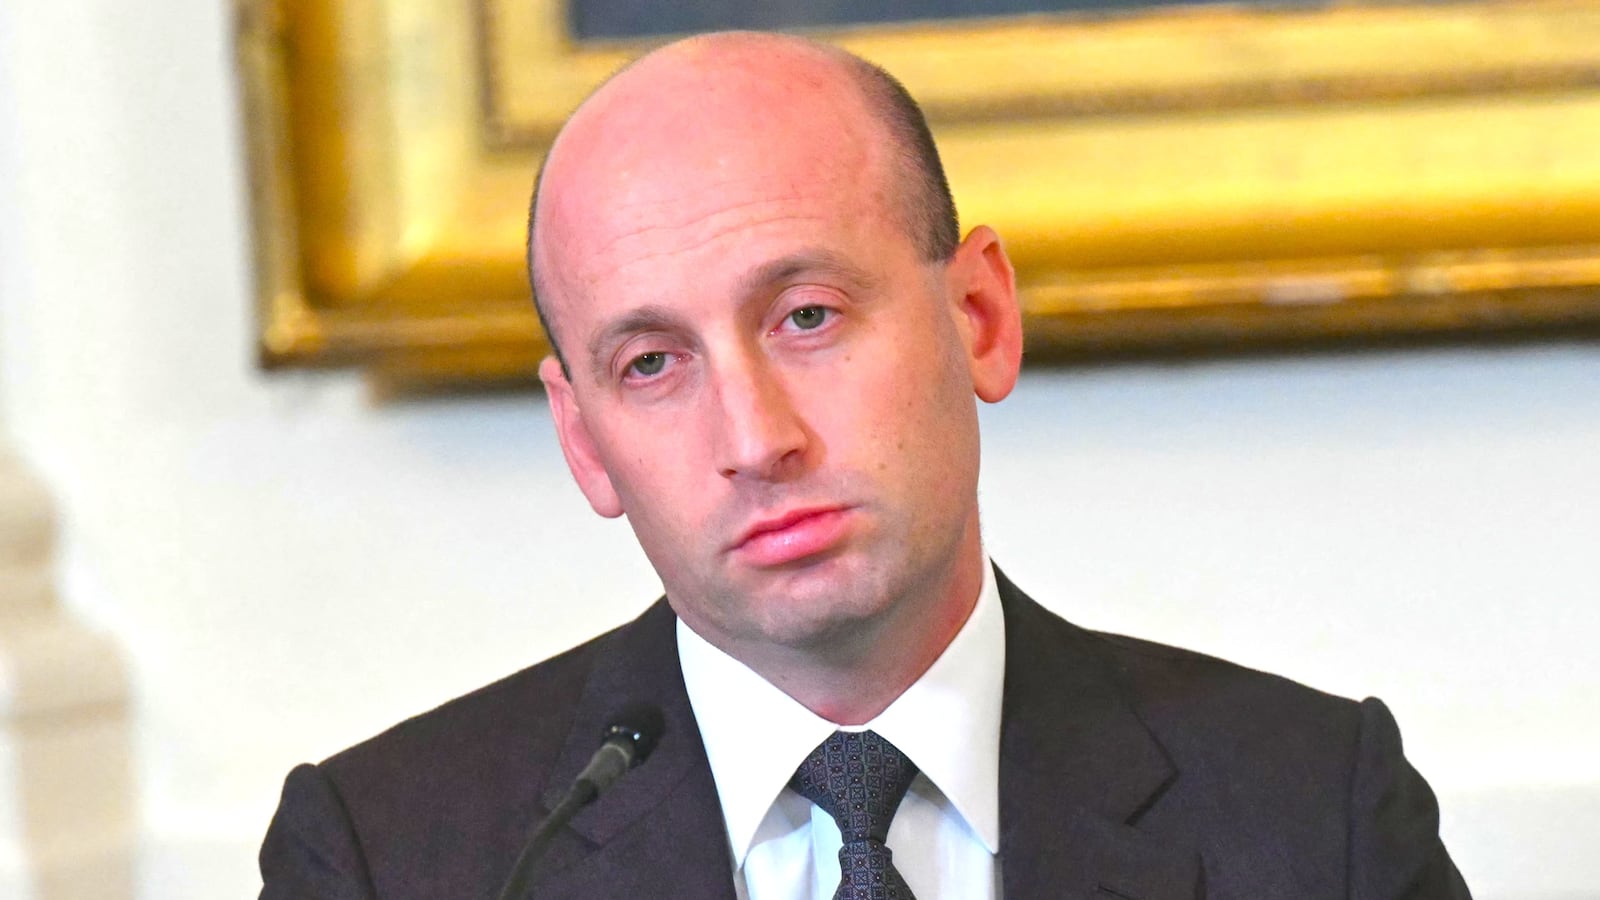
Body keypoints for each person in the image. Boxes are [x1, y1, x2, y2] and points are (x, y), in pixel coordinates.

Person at [259, 31, 1470, 900]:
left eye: (807, 317)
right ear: (583, 440)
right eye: (649, 365)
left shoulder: (1311, 814)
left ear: (981, 317)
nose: (755, 440)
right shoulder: (390, 858)